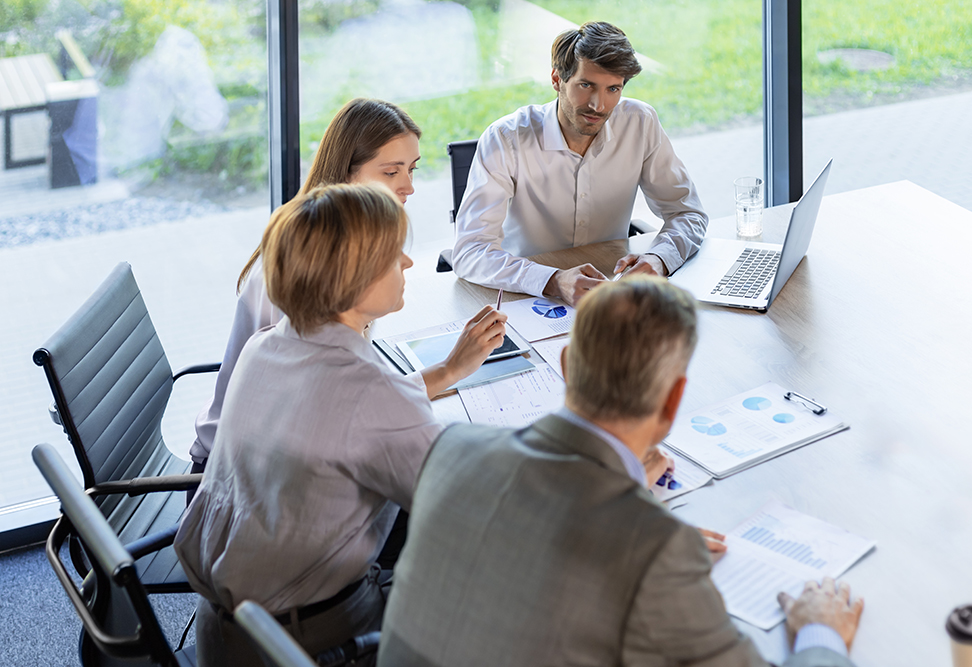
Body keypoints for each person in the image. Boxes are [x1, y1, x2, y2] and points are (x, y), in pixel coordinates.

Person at [378, 277, 863, 667]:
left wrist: (631, 506)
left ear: (567, 365)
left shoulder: (451, 448)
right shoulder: (656, 550)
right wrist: (820, 631)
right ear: (673, 401)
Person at [174, 183, 507, 667]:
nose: (409, 264)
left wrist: (447, 371)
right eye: (396, 255)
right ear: (356, 279)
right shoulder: (370, 395)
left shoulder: (266, 346)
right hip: (314, 640)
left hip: (226, 631)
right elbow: (467, 506)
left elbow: (340, 413)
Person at [187, 98, 423, 477]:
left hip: (274, 447)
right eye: (392, 172)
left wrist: (447, 370)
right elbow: (330, 406)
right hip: (239, 469)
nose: (408, 186)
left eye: (411, 169)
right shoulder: (305, 271)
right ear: (348, 176)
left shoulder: (331, 245)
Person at [452, 21, 708, 305]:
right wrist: (553, 280)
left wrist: (659, 259)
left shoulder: (640, 123)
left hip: (611, 291)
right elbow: (470, 252)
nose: (599, 105)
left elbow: (688, 214)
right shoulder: (506, 138)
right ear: (556, 79)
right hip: (527, 294)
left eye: (613, 89)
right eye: (586, 85)